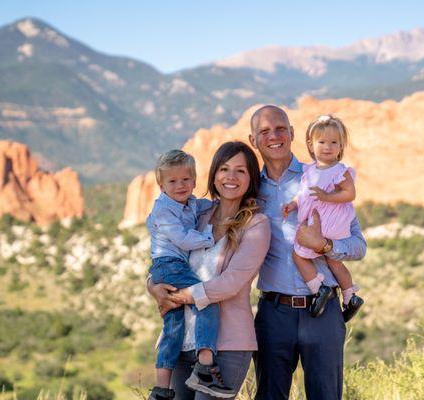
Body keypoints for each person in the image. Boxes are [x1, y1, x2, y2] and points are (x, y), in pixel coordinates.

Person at [249, 105, 367, 400]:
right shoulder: (248, 188)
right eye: (264, 131)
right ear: (254, 140)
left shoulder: (321, 177)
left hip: (323, 311)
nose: (273, 136)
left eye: (280, 129)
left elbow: (358, 246)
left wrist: (325, 246)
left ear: (291, 134)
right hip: (273, 313)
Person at [148, 141, 270, 400]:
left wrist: (180, 297)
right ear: (214, 175)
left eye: (241, 171)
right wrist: (153, 286)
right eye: (224, 169)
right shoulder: (197, 214)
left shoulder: (256, 224)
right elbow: (169, 255)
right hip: (183, 341)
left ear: (251, 178)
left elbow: (232, 282)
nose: (231, 177)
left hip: (226, 344)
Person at [146, 150, 236, 400]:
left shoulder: (190, 203)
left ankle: (162, 389)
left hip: (168, 268)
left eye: (186, 180)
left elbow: (207, 205)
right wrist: (211, 237)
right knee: (205, 300)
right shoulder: (164, 211)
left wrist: (223, 203)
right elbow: (183, 239)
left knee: (173, 326)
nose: (180, 186)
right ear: (161, 185)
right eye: (173, 182)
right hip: (170, 265)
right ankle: (205, 368)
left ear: (194, 181)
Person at [282, 114, 364, 321]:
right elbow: (303, 194)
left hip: (328, 222)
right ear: (311, 144)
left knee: (298, 255)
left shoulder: (340, 171)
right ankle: (350, 296)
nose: (328, 147)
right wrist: (293, 204)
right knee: (334, 262)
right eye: (322, 142)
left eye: (334, 142)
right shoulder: (310, 170)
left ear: (341, 145)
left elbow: (350, 193)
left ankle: (319, 289)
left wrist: (327, 196)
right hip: (326, 224)